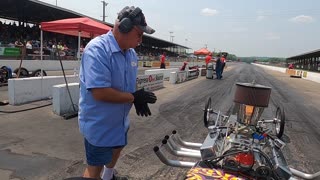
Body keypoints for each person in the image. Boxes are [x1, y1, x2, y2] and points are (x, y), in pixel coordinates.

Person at [78, 6, 156, 180]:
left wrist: (135, 97)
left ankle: (109, 176)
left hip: (120, 122)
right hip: (100, 125)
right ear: (125, 27)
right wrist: (133, 97)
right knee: (94, 168)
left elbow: (128, 85)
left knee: (117, 149)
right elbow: (100, 92)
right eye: (139, 34)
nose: (141, 40)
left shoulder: (131, 55)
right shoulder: (97, 50)